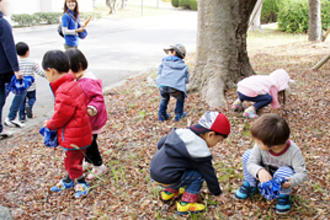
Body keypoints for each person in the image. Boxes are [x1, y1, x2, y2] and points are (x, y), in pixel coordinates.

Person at [150, 111, 230, 215]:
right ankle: (186, 204)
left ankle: (169, 192)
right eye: (218, 140)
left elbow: (160, 143)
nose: (217, 144)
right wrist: (217, 193)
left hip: (154, 171)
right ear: (210, 135)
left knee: (177, 166)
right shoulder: (199, 148)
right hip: (168, 178)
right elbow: (209, 174)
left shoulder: (181, 132)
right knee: (198, 174)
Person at [42, 50, 92, 198]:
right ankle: (69, 179)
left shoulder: (64, 90)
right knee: (72, 159)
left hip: (73, 136)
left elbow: (61, 116)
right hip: (80, 132)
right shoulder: (72, 84)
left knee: (72, 161)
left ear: (51, 71)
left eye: (46, 73)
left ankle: (81, 183)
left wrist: (49, 124)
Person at [234, 114, 307, 214]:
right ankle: (251, 184)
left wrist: (291, 182)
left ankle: (282, 195)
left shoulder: (293, 152)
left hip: (280, 179)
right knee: (247, 155)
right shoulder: (259, 147)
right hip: (264, 174)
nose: (256, 143)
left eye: (259, 142)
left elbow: (302, 173)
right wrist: (259, 171)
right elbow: (251, 163)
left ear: (274, 145)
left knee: (286, 171)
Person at [65, 48, 108, 180]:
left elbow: (98, 98)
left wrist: (90, 109)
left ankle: (99, 166)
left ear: (78, 66)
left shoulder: (87, 82)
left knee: (89, 144)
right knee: (85, 143)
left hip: (92, 121)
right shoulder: (79, 80)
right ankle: (89, 161)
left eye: (69, 70)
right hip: (85, 121)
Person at [4, 42, 46, 127]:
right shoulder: (32, 62)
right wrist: (47, 75)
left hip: (21, 87)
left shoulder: (16, 63)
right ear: (28, 51)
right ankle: (29, 106)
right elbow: (39, 72)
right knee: (32, 98)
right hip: (31, 86)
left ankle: (21, 117)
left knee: (21, 102)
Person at [155, 44, 189, 122]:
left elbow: (159, 73)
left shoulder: (164, 62)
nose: (168, 54)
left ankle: (162, 116)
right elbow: (186, 79)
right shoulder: (183, 66)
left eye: (169, 52)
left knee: (164, 98)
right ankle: (179, 115)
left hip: (162, 85)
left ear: (174, 52)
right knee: (180, 98)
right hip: (175, 87)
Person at [0, 0, 19, 138]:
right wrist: (16, 69)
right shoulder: (3, 23)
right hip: (2, 69)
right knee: (0, 98)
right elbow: (9, 47)